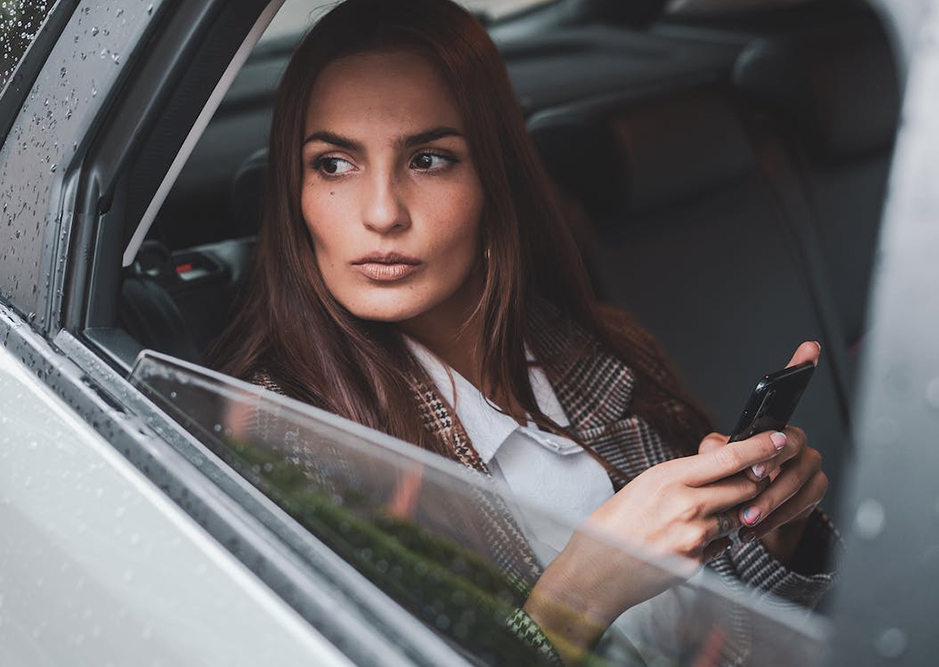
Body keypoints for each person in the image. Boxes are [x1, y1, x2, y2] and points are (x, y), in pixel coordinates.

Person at [209, 0, 835, 662]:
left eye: (429, 159)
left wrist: (772, 538)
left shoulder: (598, 349)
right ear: (293, 192)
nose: (382, 212)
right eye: (334, 164)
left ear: (494, 178)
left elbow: (725, 638)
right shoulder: (283, 439)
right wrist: (577, 598)